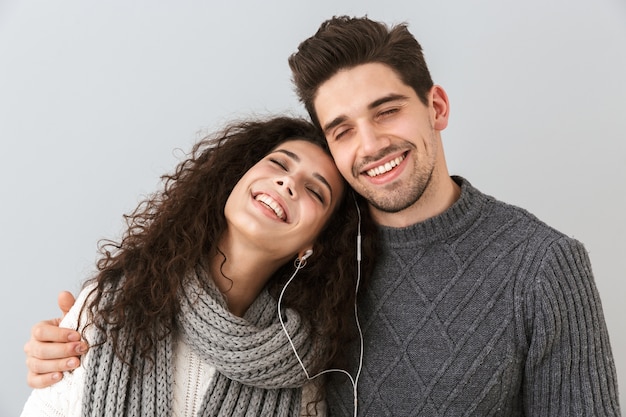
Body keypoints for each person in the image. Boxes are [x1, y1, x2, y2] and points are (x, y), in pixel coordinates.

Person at [25, 15, 622, 416]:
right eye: (342, 129)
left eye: (386, 111)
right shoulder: (310, 274)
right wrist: (77, 337)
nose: (370, 145)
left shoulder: (542, 265)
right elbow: (198, 317)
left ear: (435, 106)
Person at [21, 116, 375, 417]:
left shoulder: (303, 372)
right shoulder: (114, 305)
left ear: (311, 246)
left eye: (315, 191)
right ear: (237, 178)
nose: (287, 183)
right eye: (280, 164)